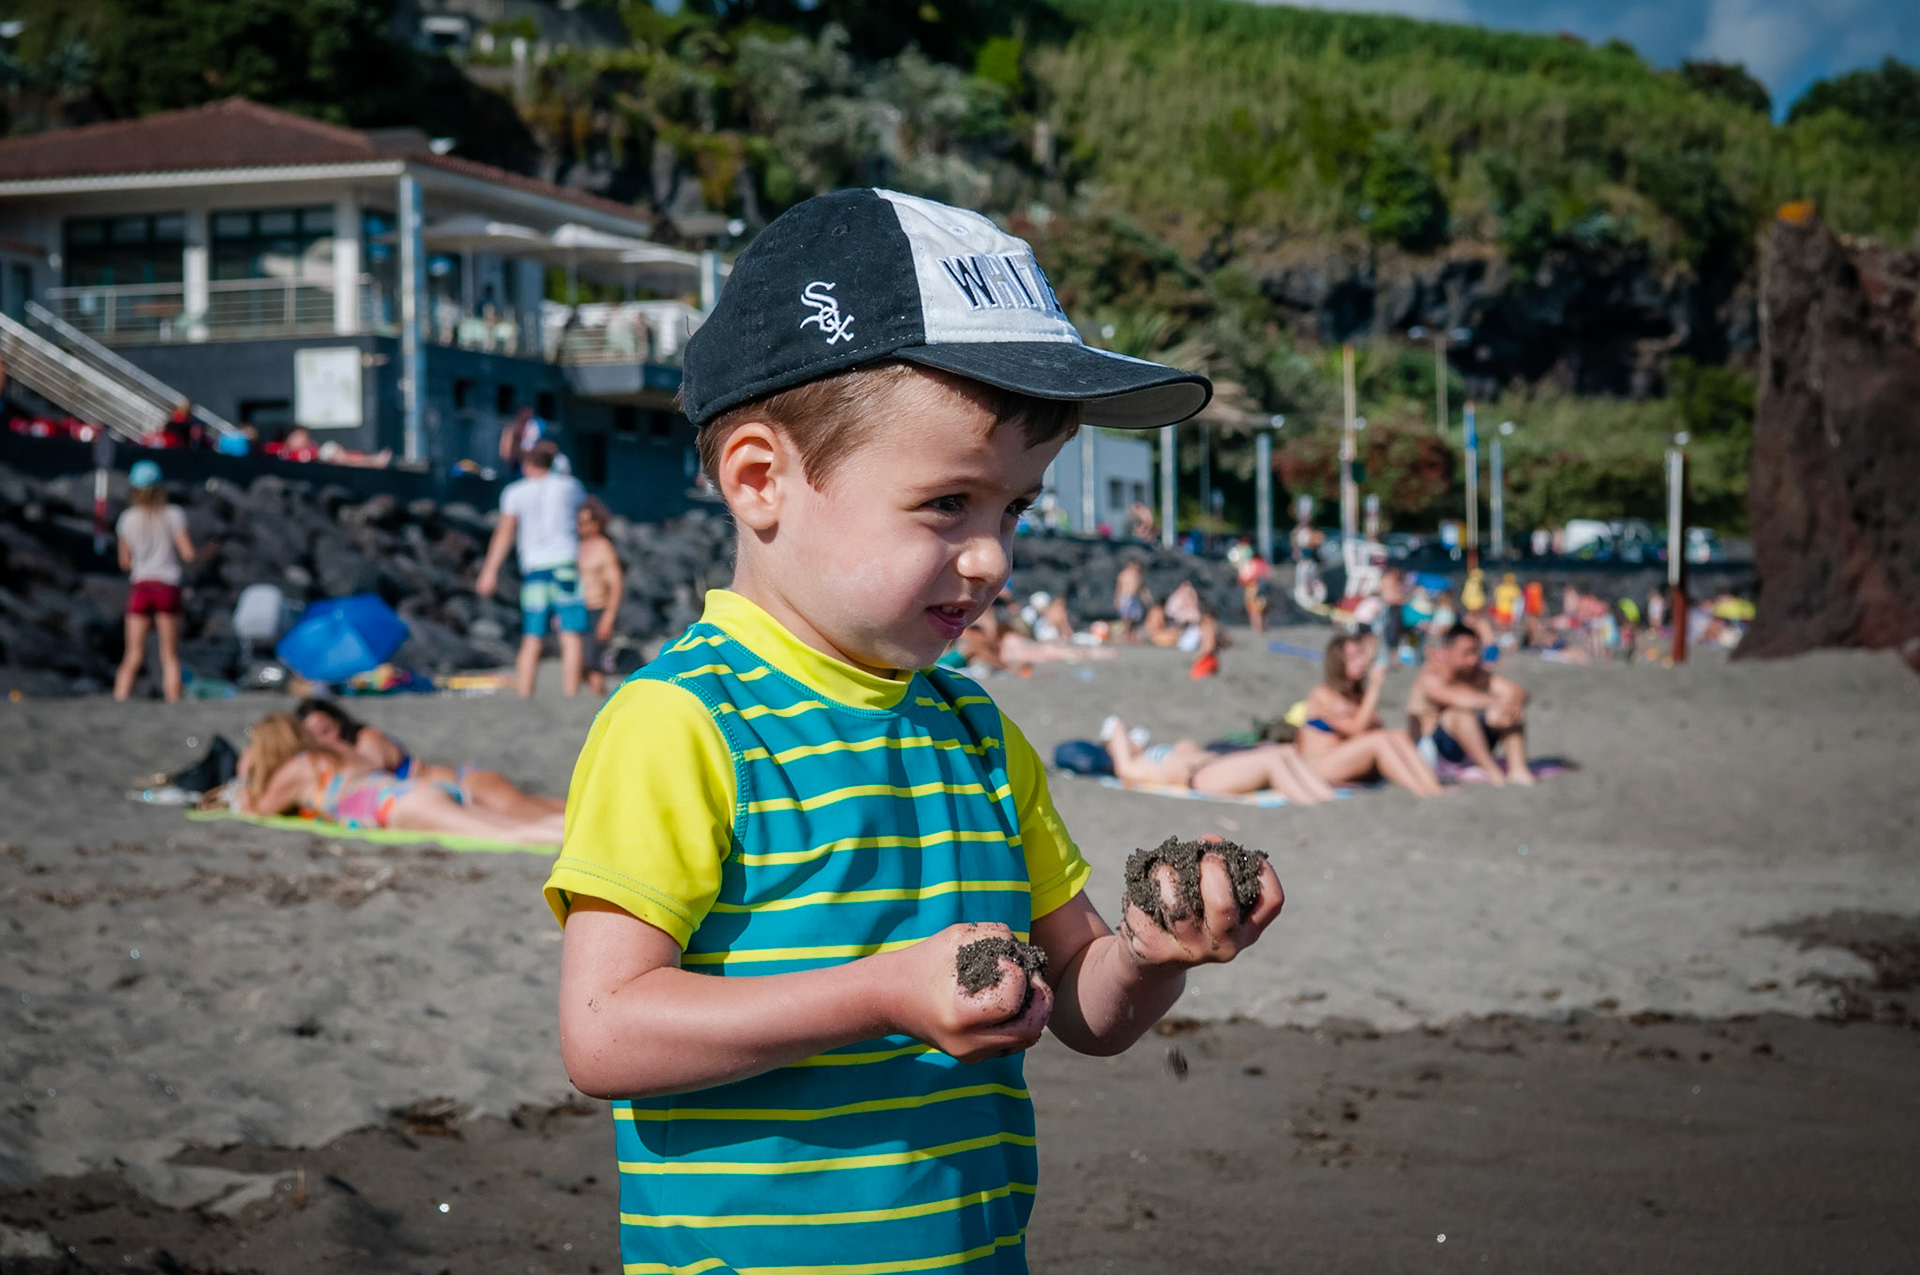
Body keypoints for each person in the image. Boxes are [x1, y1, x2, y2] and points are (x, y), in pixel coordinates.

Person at [544, 188, 1282, 1275]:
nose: (994, 558)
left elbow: (1088, 1012)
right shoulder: (684, 723)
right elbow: (605, 1032)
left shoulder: (975, 733)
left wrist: (1149, 951)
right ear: (761, 479)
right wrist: (882, 994)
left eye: (1016, 508)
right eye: (948, 505)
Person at [227, 714, 564, 843]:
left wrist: (245, 773)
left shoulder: (297, 769)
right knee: (520, 825)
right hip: (415, 790)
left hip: (394, 804)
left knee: (511, 836)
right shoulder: (337, 753)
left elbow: (259, 810)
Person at [294, 698, 566, 821]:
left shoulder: (366, 740)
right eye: (314, 737)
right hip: (458, 792)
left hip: (466, 783)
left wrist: (339, 751)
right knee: (536, 807)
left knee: (531, 812)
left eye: (327, 731)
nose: (325, 741)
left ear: (340, 723)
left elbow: (372, 777)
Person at [476, 440, 588, 699]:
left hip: (535, 570)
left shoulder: (515, 492)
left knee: (533, 636)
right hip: (565, 567)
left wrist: (489, 571)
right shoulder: (570, 487)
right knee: (571, 635)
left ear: (527, 464)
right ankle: (571, 694)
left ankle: (525, 693)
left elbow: (505, 533)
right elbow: (584, 513)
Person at [1297, 632, 1447, 797]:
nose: (1361, 661)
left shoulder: (1357, 696)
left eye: (1361, 655)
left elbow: (1377, 728)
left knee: (1397, 735)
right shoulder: (1323, 694)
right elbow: (1357, 730)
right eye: (1353, 657)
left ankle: (1431, 785)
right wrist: (1374, 687)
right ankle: (1420, 789)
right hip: (1319, 763)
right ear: (1338, 662)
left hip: (1349, 760)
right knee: (1378, 741)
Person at [1100, 715, 1335, 805]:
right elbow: (1115, 723)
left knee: (1285, 751)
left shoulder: (1148, 754)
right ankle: (1312, 804)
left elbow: (1188, 747)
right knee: (1272, 761)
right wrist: (1118, 737)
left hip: (1215, 764)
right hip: (1203, 775)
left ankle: (1328, 799)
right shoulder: (1132, 767)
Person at [1407, 622, 1534, 786]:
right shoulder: (1431, 676)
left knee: (1510, 710)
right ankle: (1493, 773)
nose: (1473, 659)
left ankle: (1518, 770)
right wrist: (1497, 704)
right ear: (1448, 650)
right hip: (1436, 750)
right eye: (1466, 653)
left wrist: (1504, 708)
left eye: (1475, 651)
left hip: (1471, 743)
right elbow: (1456, 699)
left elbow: (1518, 692)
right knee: (1458, 713)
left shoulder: (1475, 674)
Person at [114, 460, 195, 703]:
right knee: (169, 654)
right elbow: (188, 554)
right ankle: (173, 701)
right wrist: (208, 552)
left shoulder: (127, 519)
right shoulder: (173, 514)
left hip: (141, 586)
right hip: (167, 585)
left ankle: (120, 699)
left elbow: (124, 562)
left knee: (133, 654)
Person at [576, 496, 624, 696]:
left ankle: (599, 699)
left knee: (593, 663)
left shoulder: (604, 547)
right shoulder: (577, 546)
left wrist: (608, 617)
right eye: (579, 523)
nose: (582, 527)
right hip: (577, 609)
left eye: (587, 522)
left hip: (598, 610)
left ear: (598, 522)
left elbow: (616, 585)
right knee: (578, 663)